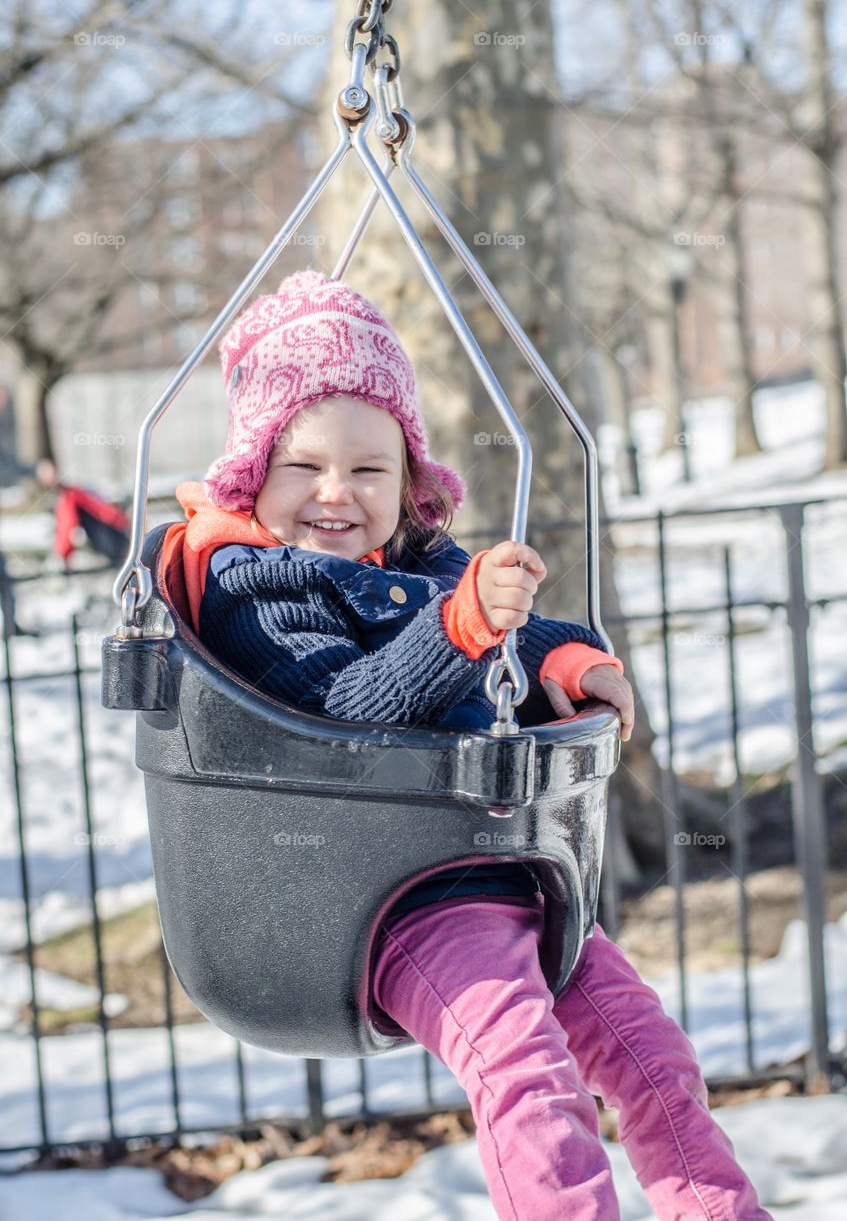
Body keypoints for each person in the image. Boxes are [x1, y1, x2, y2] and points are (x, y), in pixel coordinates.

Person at [167, 270, 772, 1220]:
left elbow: (515, 626)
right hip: (380, 897)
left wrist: (570, 660)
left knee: (656, 1060)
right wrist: (458, 625)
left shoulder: (416, 559)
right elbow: (349, 712)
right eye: (305, 466)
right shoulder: (256, 587)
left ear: (408, 482)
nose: (338, 494)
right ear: (253, 470)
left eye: (370, 470)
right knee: (531, 1080)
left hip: (511, 866)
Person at [34, 459, 131, 568]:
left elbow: (68, 524)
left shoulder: (69, 495)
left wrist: (62, 555)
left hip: (112, 538)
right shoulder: (70, 493)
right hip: (117, 536)